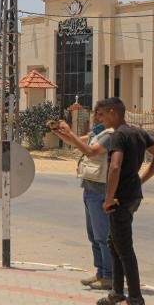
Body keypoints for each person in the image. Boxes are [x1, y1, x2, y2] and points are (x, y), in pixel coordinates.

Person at [97, 97, 154, 305]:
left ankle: (136, 300)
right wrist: (140, 179)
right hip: (133, 195)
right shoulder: (138, 133)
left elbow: (115, 167)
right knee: (114, 242)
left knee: (124, 248)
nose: (101, 119)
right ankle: (117, 293)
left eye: (102, 114)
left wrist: (108, 199)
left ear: (112, 112)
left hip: (121, 198)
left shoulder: (119, 135)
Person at [48, 110, 114, 291]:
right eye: (96, 114)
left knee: (103, 236)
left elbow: (90, 151)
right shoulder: (98, 134)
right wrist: (61, 134)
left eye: (101, 114)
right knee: (93, 236)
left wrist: (69, 133)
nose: (96, 118)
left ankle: (109, 276)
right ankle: (100, 272)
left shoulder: (110, 136)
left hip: (101, 190)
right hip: (90, 188)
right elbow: (78, 143)